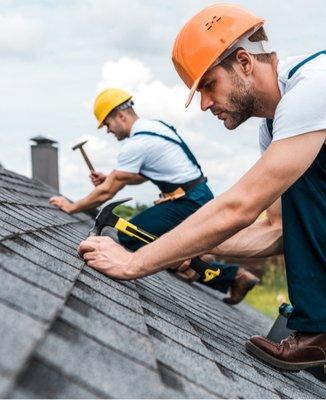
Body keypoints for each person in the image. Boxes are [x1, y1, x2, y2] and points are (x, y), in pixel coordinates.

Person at [77, 4, 326, 372]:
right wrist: (190, 246)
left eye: (209, 85)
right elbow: (276, 230)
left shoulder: (313, 86)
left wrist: (134, 261)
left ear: (243, 61)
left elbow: (239, 207)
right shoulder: (274, 129)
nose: (206, 104)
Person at [50, 87, 260, 304]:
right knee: (164, 243)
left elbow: (107, 191)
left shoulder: (137, 143)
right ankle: (226, 274)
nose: (108, 131)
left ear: (120, 115)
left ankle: (211, 269)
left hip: (187, 201)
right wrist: (110, 178)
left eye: (107, 124)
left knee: (128, 235)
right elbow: (138, 176)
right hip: (195, 196)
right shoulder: (155, 128)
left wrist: (71, 206)